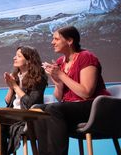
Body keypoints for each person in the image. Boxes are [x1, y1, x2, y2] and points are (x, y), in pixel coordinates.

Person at [34, 26, 110, 155]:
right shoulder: (60, 62)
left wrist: (61, 75)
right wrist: (58, 83)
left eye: (56, 39)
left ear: (69, 41)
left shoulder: (86, 57)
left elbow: (86, 93)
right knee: (40, 110)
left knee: (53, 109)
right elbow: (59, 98)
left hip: (94, 106)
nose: (52, 42)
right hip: (73, 107)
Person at [0, 46, 48, 155]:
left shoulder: (39, 78)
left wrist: (15, 86)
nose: (14, 58)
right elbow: (8, 102)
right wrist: (10, 86)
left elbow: (31, 103)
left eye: (18, 56)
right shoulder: (17, 76)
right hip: (12, 115)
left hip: (26, 118)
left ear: (29, 60)